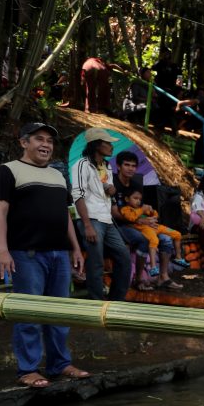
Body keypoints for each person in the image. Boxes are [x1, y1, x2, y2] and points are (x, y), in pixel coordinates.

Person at [0, 122, 91, 387]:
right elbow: (0, 212)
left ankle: (60, 364)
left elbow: (65, 216)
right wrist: (2, 249)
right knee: (29, 312)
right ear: (23, 142)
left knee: (59, 312)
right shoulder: (8, 171)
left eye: (49, 141)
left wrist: (75, 247)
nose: (46, 145)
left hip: (59, 254)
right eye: (39, 139)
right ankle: (27, 369)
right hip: (26, 254)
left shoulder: (57, 176)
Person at [71, 128, 131, 301]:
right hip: (91, 219)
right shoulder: (81, 164)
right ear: (97, 144)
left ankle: (116, 301)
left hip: (106, 219)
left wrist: (111, 190)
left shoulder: (107, 165)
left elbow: (107, 190)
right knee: (96, 262)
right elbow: (78, 195)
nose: (112, 146)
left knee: (124, 258)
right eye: (108, 143)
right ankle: (96, 303)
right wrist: (87, 225)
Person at [110, 151, 179, 290]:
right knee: (143, 240)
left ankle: (163, 277)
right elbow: (114, 213)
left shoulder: (136, 183)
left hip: (139, 224)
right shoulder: (112, 183)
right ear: (118, 166)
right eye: (126, 165)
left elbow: (140, 208)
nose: (130, 168)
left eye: (133, 166)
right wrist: (140, 221)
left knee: (166, 238)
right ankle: (138, 279)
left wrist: (148, 218)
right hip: (121, 225)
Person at [119, 188, 188, 274]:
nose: (138, 201)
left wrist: (152, 212)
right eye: (135, 198)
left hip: (156, 227)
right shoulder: (125, 209)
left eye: (140, 199)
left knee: (177, 234)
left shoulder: (142, 207)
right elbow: (131, 218)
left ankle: (178, 257)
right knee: (154, 240)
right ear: (127, 199)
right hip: (145, 229)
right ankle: (153, 267)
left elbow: (156, 215)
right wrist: (142, 210)